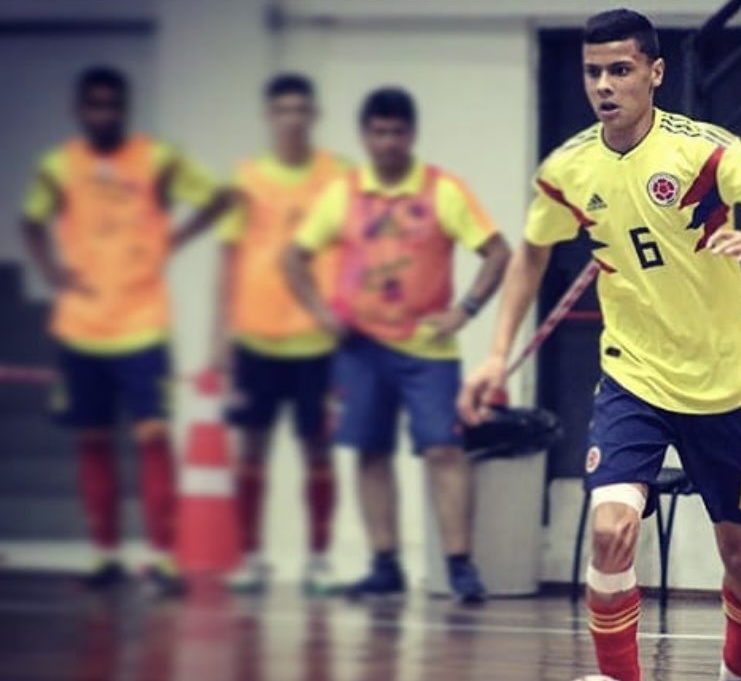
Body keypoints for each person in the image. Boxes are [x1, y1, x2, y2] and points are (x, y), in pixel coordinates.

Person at [458, 9, 741, 681]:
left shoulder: (704, 154)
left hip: (725, 382)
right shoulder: (570, 170)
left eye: (620, 69)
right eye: (593, 71)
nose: (604, 84)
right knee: (612, 527)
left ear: (655, 72)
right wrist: (496, 353)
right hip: (634, 377)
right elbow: (530, 253)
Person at [283, 87, 511, 603]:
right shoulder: (344, 192)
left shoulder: (442, 190)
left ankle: (459, 565)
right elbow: (294, 257)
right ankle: (384, 562)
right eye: (378, 132)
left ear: (411, 134)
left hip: (426, 348)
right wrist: (321, 315)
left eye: (397, 132)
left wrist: (466, 310)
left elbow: (498, 253)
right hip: (360, 345)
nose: (387, 142)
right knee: (369, 451)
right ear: (366, 135)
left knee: (444, 449)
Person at [19, 66, 231, 594]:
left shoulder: (157, 160)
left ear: (126, 110)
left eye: (113, 105)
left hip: (142, 325)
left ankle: (163, 558)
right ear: (78, 110)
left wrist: (175, 238)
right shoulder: (58, 166)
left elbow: (220, 197)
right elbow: (30, 220)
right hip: (81, 327)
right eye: (94, 105)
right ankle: (104, 555)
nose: (104, 115)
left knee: (153, 438)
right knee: (92, 441)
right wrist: (50, 272)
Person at [212, 74, 350, 596]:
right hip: (255, 340)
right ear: (270, 116)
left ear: (312, 115)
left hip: (318, 343)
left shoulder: (337, 177)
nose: (292, 117)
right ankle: (250, 557)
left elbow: (358, 254)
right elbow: (227, 267)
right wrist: (219, 351)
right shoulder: (244, 180)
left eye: (300, 109)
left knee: (318, 450)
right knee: (251, 450)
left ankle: (318, 559)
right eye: (282, 109)